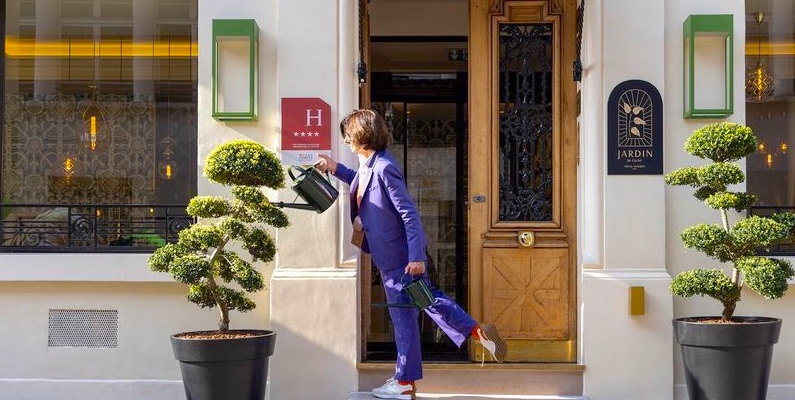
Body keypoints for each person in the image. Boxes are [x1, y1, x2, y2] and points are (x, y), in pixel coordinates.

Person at [315, 109, 507, 400]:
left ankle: (464, 338)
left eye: (349, 135)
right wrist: (335, 167)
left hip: (401, 258)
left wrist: (415, 257)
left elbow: (410, 215)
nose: (346, 140)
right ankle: (409, 379)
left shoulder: (385, 167)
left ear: (362, 134)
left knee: (419, 306)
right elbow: (359, 182)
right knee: (412, 311)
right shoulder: (372, 165)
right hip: (391, 257)